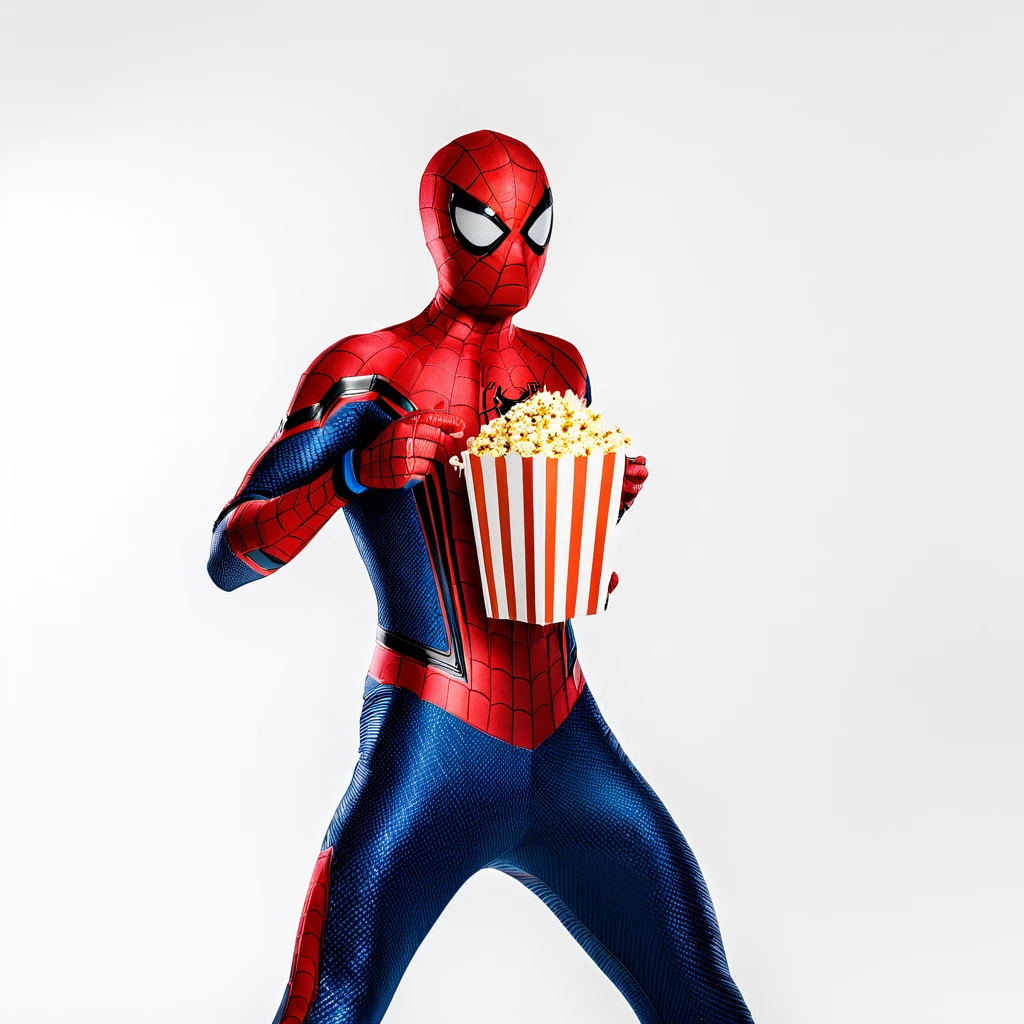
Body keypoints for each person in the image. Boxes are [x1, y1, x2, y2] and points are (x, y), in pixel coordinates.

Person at [208, 129, 753, 1024]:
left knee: (702, 996)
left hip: (567, 738)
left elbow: (547, 567)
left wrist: (596, 513)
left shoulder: (558, 370)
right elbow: (231, 554)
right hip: (435, 741)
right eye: (487, 224)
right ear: (438, 226)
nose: (514, 255)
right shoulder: (368, 371)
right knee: (328, 1007)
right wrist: (353, 476)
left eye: (536, 230)